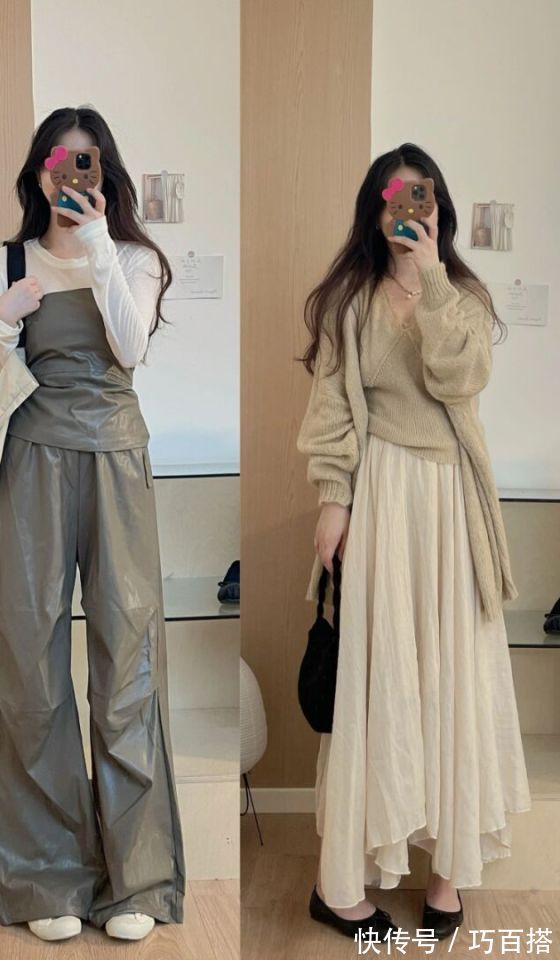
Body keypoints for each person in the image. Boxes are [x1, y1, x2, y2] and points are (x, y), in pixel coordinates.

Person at [297, 143, 531, 941]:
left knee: (451, 680)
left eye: (421, 198)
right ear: (375, 208)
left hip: (450, 506)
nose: (408, 211)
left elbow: (459, 379)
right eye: (395, 198)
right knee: (382, 682)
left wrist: (430, 276)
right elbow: (333, 405)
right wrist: (334, 499)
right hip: (380, 499)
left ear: (439, 208)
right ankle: (339, 889)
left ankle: (445, 876)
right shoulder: (349, 301)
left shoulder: (462, 296)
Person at [0, 106, 186, 943]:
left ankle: (137, 877)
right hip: (31, 456)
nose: (70, 175)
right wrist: (3, 317)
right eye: (57, 162)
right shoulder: (5, 260)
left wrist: (97, 244)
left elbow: (130, 350)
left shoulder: (135, 257)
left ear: (105, 171)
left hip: (115, 457)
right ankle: (45, 876)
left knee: (126, 656)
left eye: (86, 162)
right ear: (38, 171)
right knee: (30, 661)